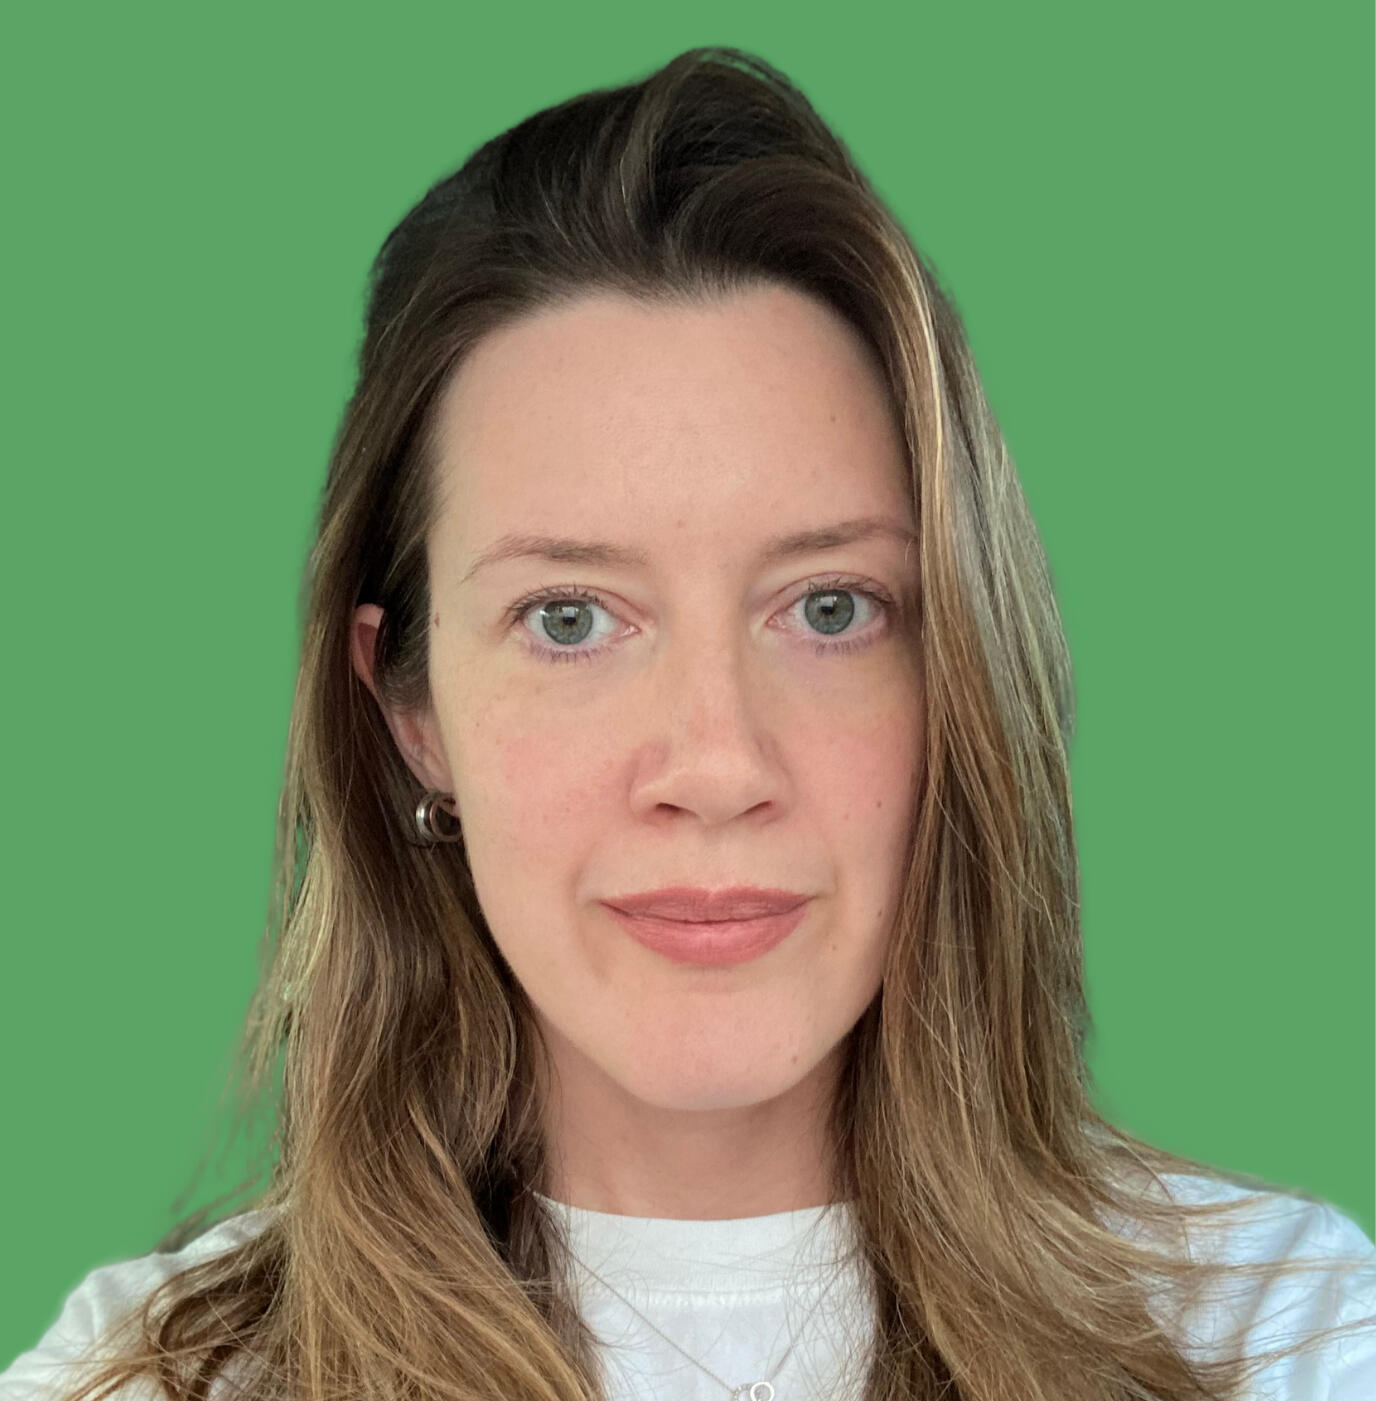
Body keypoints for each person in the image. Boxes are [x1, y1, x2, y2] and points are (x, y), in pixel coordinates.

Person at [4, 44, 1373, 1401]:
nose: (717, 765)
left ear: (962, 673)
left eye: (829, 608)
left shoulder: (1288, 1339)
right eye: (568, 618)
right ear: (412, 711)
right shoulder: (153, 1378)